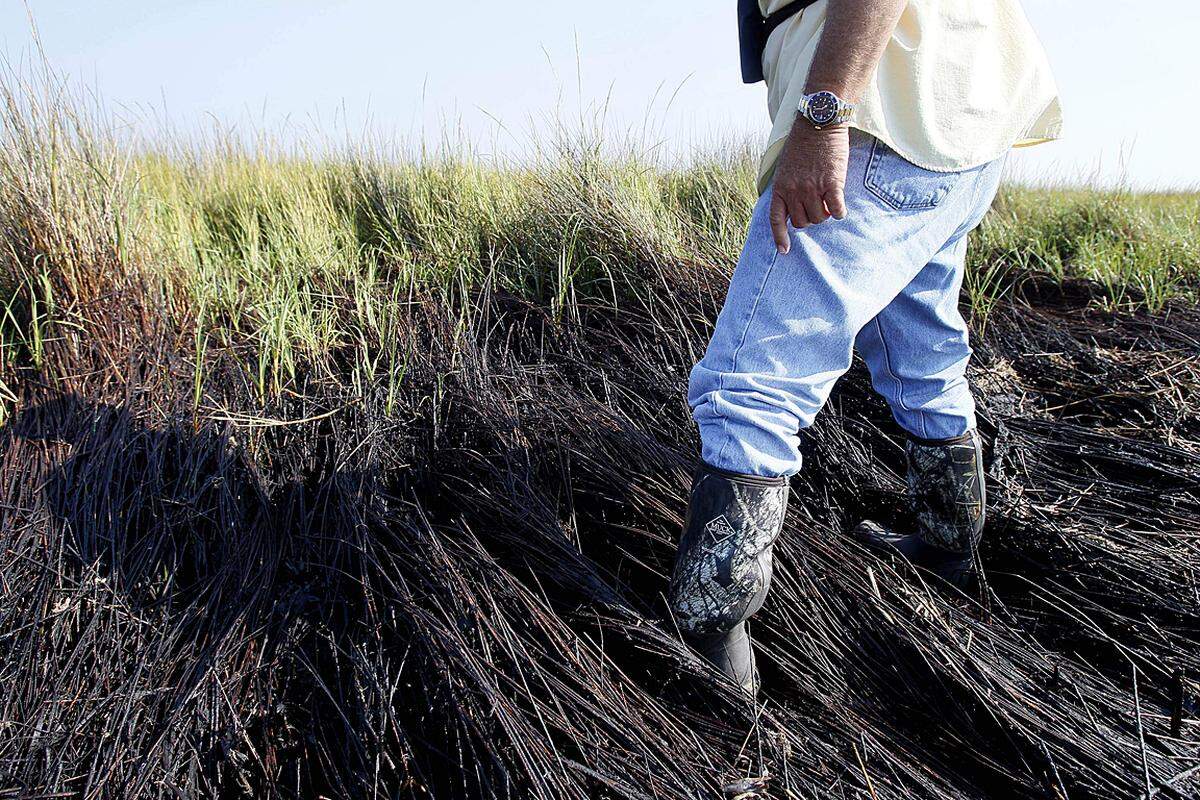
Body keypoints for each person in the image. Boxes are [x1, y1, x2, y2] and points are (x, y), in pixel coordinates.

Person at [668, 0, 1062, 692]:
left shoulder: (844, 115)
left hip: (880, 115)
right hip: (954, 118)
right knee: (921, 353)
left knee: (752, 382)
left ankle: (709, 651)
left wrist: (823, 116)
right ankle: (949, 552)